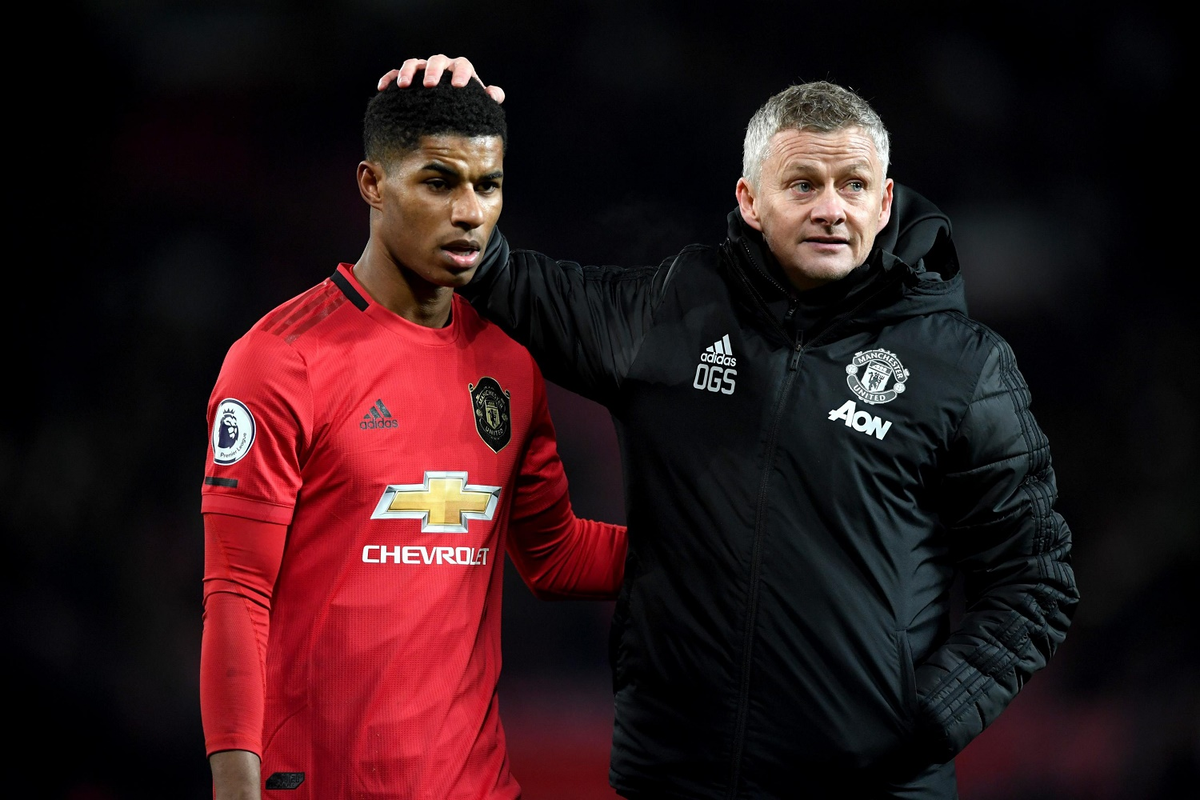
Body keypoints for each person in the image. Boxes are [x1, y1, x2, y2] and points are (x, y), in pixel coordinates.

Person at [380, 57, 1080, 799]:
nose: (831, 208)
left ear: (884, 202)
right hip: (677, 780)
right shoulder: (673, 312)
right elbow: (499, 277)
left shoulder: (962, 367)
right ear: (749, 200)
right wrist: (444, 134)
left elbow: (1035, 579)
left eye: (853, 186)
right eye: (802, 184)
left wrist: (925, 723)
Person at [199, 72, 626, 800]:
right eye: (438, 182)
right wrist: (236, 790)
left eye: (487, 186)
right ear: (372, 184)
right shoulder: (279, 360)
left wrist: (722, 550)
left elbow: (555, 556)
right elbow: (237, 593)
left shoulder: (511, 360)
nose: (469, 212)